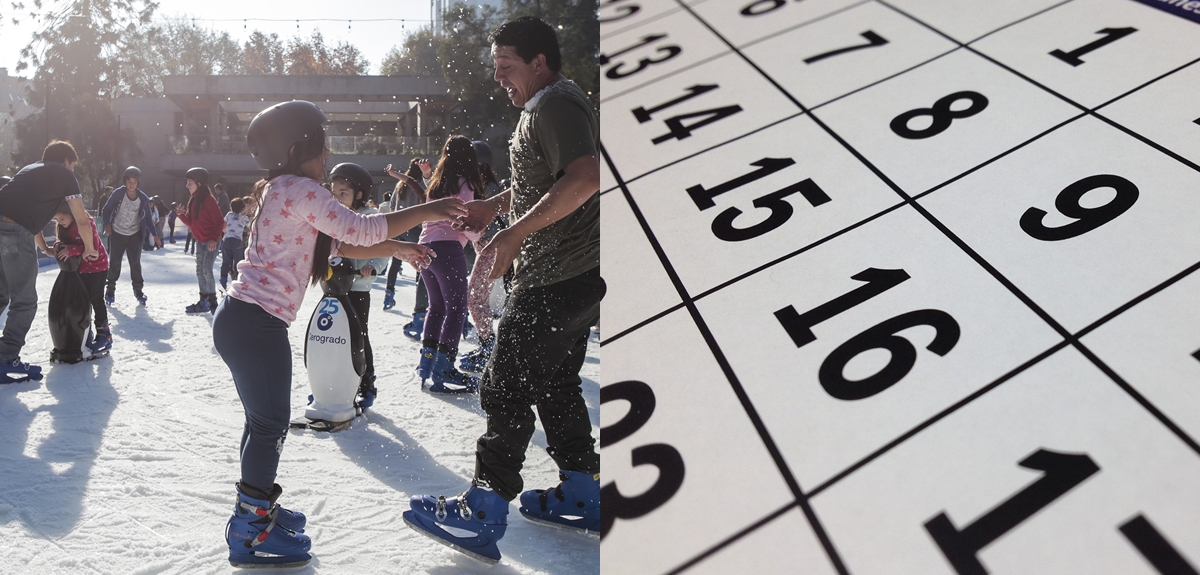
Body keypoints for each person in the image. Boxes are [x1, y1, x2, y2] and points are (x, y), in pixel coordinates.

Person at [212, 99, 466, 568]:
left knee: (261, 423)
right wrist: (429, 209)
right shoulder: (300, 189)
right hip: (256, 323)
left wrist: (400, 248)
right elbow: (358, 228)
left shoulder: (282, 188)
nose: (327, 157)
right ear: (296, 147)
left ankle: (258, 506)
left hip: (242, 319)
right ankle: (250, 529)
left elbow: (339, 241)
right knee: (269, 426)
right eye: (322, 147)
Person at [404, 17, 602, 564]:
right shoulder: (546, 108)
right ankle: (582, 491)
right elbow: (547, 174)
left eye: (506, 68)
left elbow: (584, 176)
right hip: (575, 276)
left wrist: (511, 235)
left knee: (505, 385)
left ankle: (483, 510)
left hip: (552, 276)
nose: (500, 80)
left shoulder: (555, 103)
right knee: (558, 382)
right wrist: (498, 204)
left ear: (539, 61)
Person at [0, 140, 98, 381]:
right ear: (66, 161)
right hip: (14, 234)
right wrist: (90, 248)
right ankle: (5, 358)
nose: (72, 170)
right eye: (72, 164)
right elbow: (82, 220)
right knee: (25, 301)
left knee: (1, 294)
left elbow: (23, 210)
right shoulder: (64, 175)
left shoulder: (29, 169)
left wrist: (44, 247)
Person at [410, 136, 484, 394]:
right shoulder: (465, 183)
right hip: (447, 249)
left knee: (437, 308)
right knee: (456, 309)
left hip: (426, 247)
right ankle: (444, 369)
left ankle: (426, 365)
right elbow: (460, 218)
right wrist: (480, 238)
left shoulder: (438, 184)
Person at [328, 162, 389, 408]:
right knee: (333, 335)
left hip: (358, 287)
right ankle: (333, 384)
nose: (338, 199)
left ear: (360, 194)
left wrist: (372, 266)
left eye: (343, 193)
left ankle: (367, 383)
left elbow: (384, 246)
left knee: (357, 336)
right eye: (334, 194)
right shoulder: (335, 217)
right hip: (335, 287)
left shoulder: (370, 217)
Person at [459, 140, 506, 373]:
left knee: (475, 298)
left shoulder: (489, 191)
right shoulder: (483, 188)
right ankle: (488, 345)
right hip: (487, 247)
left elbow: (485, 225)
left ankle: (490, 348)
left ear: (482, 166)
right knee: (479, 299)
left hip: (491, 248)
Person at [50, 203, 112, 354]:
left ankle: (105, 334)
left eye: (62, 218)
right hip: (81, 269)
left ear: (72, 213)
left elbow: (93, 248)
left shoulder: (86, 222)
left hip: (97, 267)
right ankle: (86, 332)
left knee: (95, 299)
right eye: (57, 220)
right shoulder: (65, 227)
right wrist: (59, 245)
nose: (60, 222)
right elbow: (62, 241)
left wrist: (71, 250)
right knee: (83, 300)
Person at [101, 166, 158, 306]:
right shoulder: (118, 194)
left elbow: (149, 219)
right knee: (114, 263)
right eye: (129, 181)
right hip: (117, 234)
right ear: (125, 181)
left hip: (135, 235)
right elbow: (106, 210)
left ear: (138, 183)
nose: (131, 184)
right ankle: (110, 289)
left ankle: (138, 291)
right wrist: (107, 224)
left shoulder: (143, 199)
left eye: (134, 182)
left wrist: (155, 235)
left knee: (135, 264)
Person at [176, 167, 223, 314]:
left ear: (200, 183)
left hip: (211, 241)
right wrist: (182, 215)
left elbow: (220, 222)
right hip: (200, 241)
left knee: (207, 270)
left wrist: (214, 239)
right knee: (199, 271)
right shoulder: (194, 200)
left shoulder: (209, 200)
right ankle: (203, 301)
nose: (187, 185)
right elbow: (192, 222)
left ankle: (213, 303)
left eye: (190, 182)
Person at [382, 158, 427, 311]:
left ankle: (389, 293)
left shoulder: (399, 184)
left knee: (395, 264)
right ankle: (419, 303)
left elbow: (393, 206)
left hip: (399, 229)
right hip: (415, 229)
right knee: (420, 263)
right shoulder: (422, 185)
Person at [219, 197, 249, 291]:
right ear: (242, 208)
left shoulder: (228, 214)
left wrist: (226, 232)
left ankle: (223, 281)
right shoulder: (243, 217)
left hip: (227, 240)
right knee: (237, 262)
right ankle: (237, 282)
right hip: (237, 242)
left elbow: (223, 225)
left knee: (226, 261)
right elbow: (251, 225)